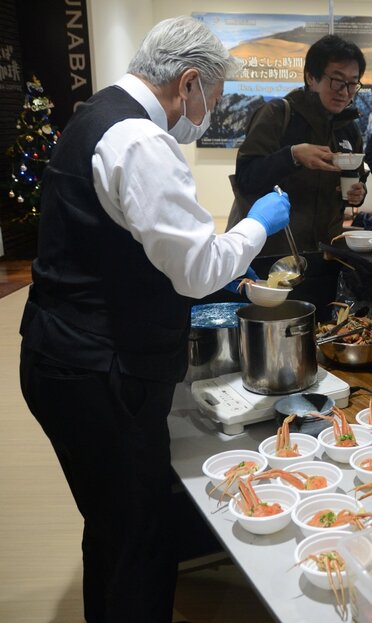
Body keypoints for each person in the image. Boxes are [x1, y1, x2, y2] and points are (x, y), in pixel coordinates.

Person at [18, 16, 290, 622]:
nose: (206, 118)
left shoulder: (95, 115)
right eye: (211, 103)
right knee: (140, 537)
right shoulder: (138, 140)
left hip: (59, 354)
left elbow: (142, 250)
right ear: (188, 82)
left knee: (112, 527)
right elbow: (195, 269)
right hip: (97, 371)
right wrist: (256, 224)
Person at [230, 34, 367, 315]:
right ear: (311, 77)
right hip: (273, 257)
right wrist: (292, 156)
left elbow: (351, 183)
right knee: (272, 336)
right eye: (337, 80)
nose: (345, 90)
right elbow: (246, 178)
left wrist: (356, 192)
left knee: (320, 334)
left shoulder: (348, 129)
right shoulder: (279, 115)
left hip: (326, 256)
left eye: (353, 82)